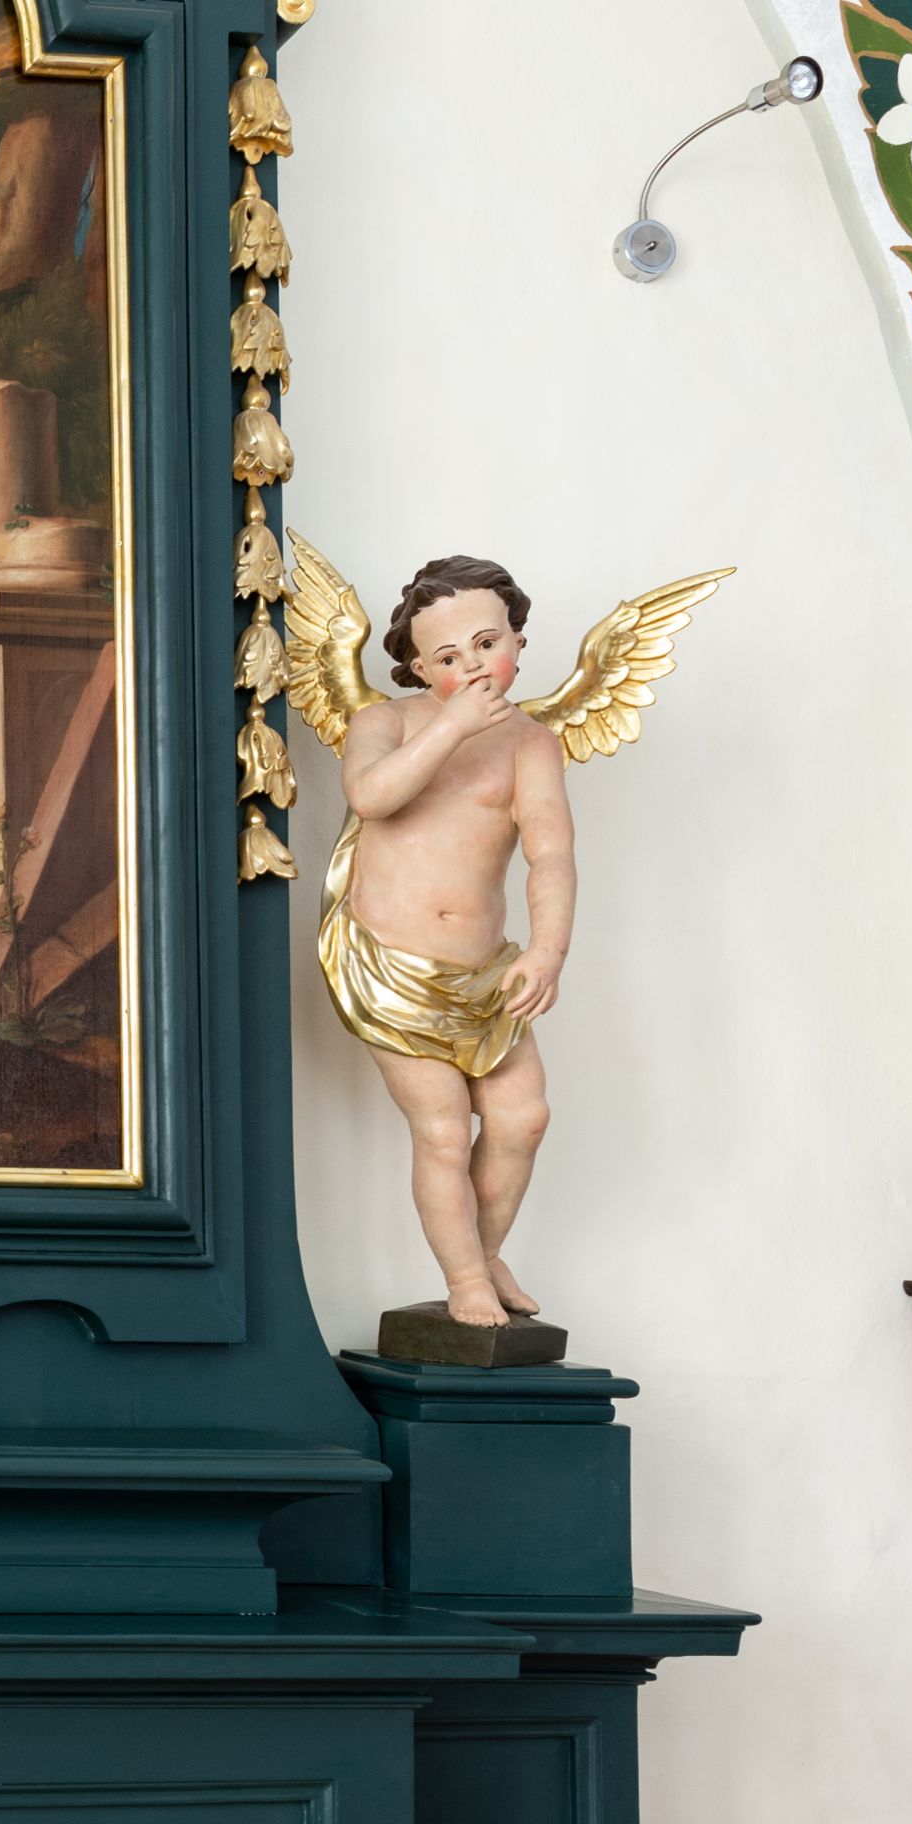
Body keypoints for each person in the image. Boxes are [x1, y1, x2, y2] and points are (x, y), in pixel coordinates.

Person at [323, 557, 569, 1330]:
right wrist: (454, 725)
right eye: (449, 657)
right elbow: (371, 795)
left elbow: (551, 857)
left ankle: (483, 1252)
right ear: (420, 668)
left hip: (485, 976)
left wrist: (548, 950)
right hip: (390, 970)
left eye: (487, 644)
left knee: (523, 1117)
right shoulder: (387, 723)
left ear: (518, 640)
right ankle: (464, 1278)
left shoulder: (531, 745)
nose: (473, 667)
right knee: (441, 1128)